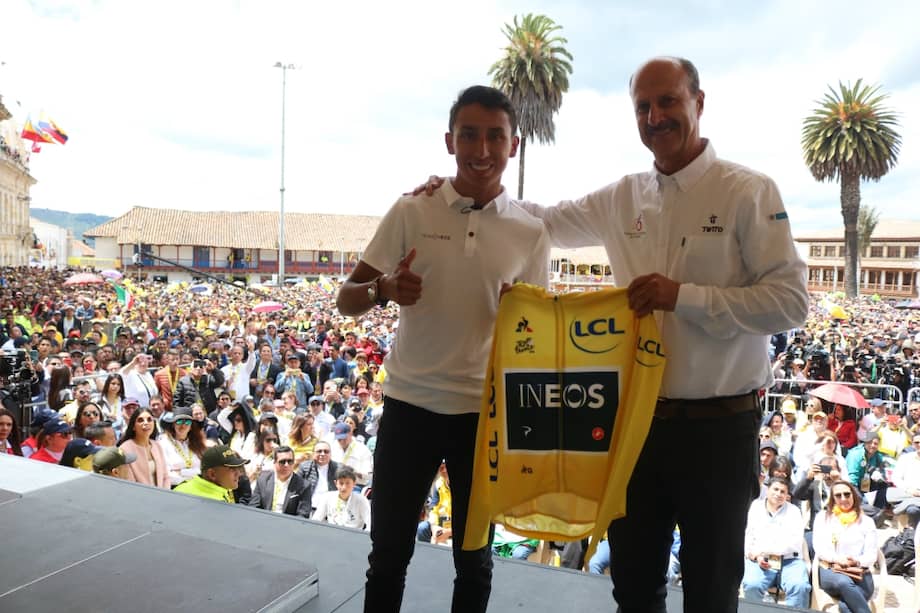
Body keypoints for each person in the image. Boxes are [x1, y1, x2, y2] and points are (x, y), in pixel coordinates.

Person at [477, 56, 807, 612]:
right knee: (632, 584)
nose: (655, 116)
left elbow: (791, 302)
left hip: (719, 430)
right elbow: (544, 220)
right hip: (634, 426)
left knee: (710, 592)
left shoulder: (749, 192)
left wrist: (683, 297)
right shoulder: (624, 197)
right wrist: (472, 188)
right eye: (643, 106)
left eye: (668, 101)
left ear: (699, 103)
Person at [338, 85, 550, 613]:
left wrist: (519, 317)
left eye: (495, 136)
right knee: (388, 553)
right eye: (470, 135)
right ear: (450, 141)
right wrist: (383, 290)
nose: (482, 149)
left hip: (485, 418)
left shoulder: (530, 232)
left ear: (514, 145)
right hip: (409, 406)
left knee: (474, 560)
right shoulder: (412, 210)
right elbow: (347, 299)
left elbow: (536, 339)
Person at [741, 478, 810, 607]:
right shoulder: (756, 506)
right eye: (775, 489)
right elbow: (748, 537)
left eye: (783, 491)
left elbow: (793, 544)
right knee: (751, 585)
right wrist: (755, 555)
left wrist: (763, 551)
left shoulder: (794, 511)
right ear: (767, 490)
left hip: (790, 561)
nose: (778, 494)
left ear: (787, 495)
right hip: (760, 561)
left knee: (800, 586)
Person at [813, 480, 878, 613]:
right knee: (843, 582)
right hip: (831, 571)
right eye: (838, 495)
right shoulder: (822, 518)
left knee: (845, 606)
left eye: (847, 494)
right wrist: (837, 559)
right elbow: (819, 549)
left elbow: (872, 555)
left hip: (859, 574)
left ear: (853, 495)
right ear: (832, 498)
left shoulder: (867, 522)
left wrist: (856, 561)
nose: (843, 499)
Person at [247, 445, 311, 517]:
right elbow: (254, 507)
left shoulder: (303, 485)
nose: (286, 465)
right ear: (274, 462)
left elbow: (303, 515)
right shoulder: (263, 480)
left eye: (290, 461)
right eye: (282, 462)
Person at [174, 444, 249, 503]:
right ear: (212, 474)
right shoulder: (216, 505)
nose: (239, 473)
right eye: (232, 469)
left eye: (238, 468)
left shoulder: (183, 487)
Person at [118, 408, 170, 489]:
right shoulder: (124, 449)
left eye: (149, 420)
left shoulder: (157, 446)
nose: (146, 423)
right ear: (133, 427)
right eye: (140, 420)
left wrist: (165, 495)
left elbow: (165, 477)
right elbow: (129, 482)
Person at [312, 464, 371, 531]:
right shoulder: (327, 497)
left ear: (354, 483)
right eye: (341, 483)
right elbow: (316, 521)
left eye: (347, 483)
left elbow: (370, 524)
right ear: (335, 483)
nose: (344, 487)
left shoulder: (361, 500)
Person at [158, 406, 206, 487]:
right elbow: (166, 474)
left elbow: (202, 471)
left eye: (187, 422)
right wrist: (192, 475)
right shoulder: (163, 444)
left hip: (198, 487)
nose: (183, 426)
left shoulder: (198, 444)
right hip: (175, 489)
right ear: (173, 424)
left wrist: (181, 472)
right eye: (179, 422)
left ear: (191, 427)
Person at [298, 440, 339, 514]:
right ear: (313, 453)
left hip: (330, 509)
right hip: (309, 508)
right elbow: (297, 488)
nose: (322, 454)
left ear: (331, 454)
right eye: (319, 451)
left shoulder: (338, 468)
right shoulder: (304, 467)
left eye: (326, 451)